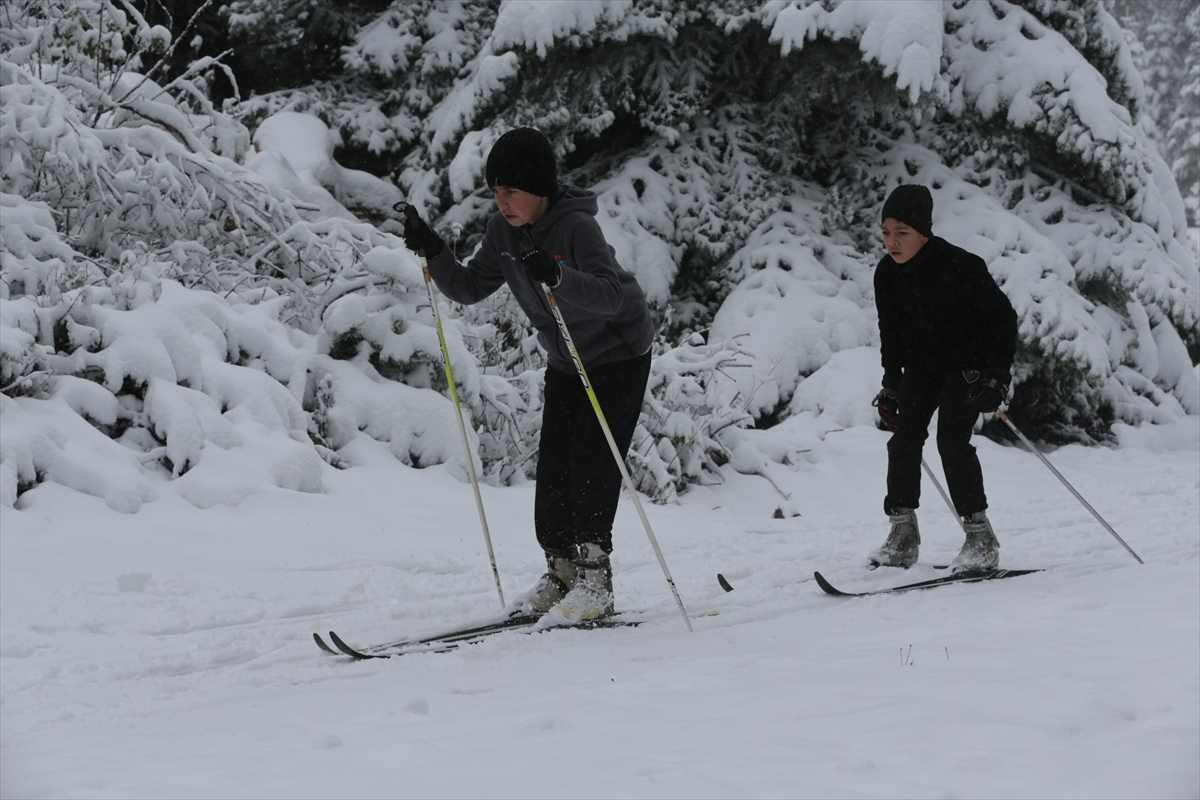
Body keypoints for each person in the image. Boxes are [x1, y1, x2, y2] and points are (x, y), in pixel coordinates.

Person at [400, 127, 653, 621]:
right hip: (566, 359)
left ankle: (596, 583)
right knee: (555, 465)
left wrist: (557, 274)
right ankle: (561, 574)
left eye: (511, 190)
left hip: (618, 353)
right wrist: (433, 248)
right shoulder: (503, 232)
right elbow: (471, 286)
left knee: (592, 461)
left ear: (539, 187)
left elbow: (611, 295)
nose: (502, 202)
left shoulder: (577, 229)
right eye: (495, 191)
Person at [870, 184, 1018, 573]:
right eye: (886, 232)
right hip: (922, 366)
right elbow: (891, 331)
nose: (892, 242)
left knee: (951, 440)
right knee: (903, 441)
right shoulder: (887, 274)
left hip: (967, 365)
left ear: (924, 232)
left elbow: (1003, 320)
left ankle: (980, 539)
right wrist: (890, 385)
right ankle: (903, 535)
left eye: (901, 232)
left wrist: (998, 377)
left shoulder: (961, 266)